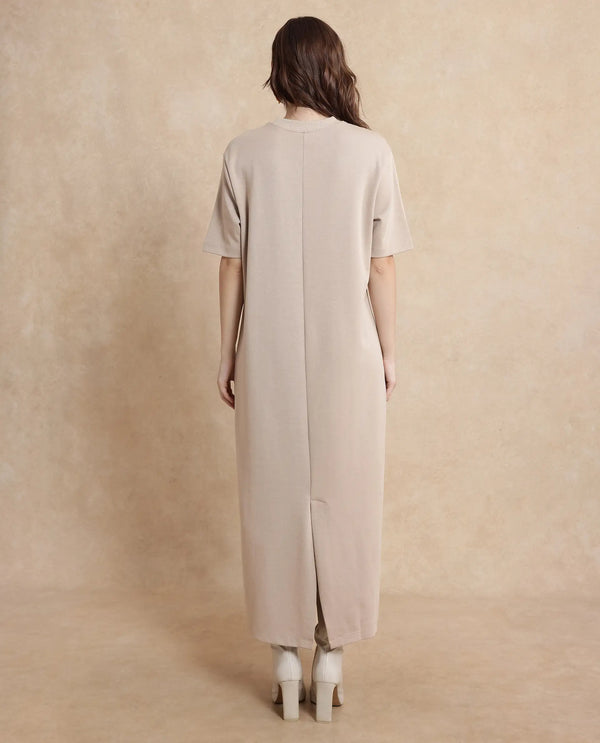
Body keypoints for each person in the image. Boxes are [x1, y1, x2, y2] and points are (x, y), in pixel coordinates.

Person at [202, 16, 415, 722]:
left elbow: (231, 265)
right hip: (349, 353)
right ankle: (331, 656)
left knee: (273, 499)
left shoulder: (242, 153)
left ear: (278, 70)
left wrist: (227, 352)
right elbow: (382, 266)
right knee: (346, 499)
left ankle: (284, 658)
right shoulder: (371, 151)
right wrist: (388, 352)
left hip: (264, 352)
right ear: (332, 67)